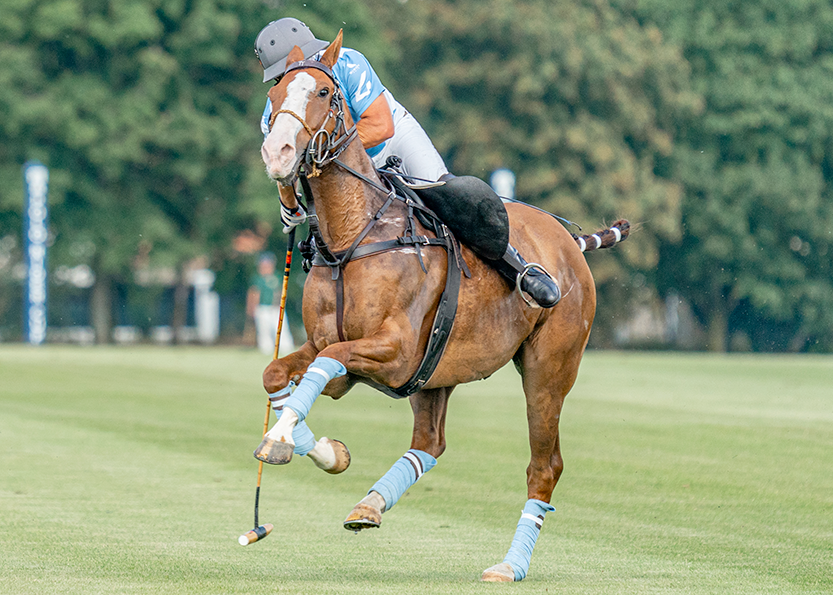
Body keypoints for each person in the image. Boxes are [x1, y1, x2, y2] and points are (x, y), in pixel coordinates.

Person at [254, 18, 559, 308]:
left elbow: (380, 125)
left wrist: (324, 148)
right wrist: (289, 204)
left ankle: (520, 269)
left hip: (393, 141)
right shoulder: (275, 105)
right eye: (282, 76)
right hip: (343, 170)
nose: (289, 79)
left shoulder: (348, 63)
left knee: (448, 195)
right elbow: (281, 166)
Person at [247, 252, 295, 355]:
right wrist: (252, 308)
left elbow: (280, 291)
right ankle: (266, 349)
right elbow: (254, 294)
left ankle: (286, 348)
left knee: (282, 328)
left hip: (276, 308)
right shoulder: (257, 279)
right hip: (263, 308)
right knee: (264, 330)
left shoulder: (277, 276)